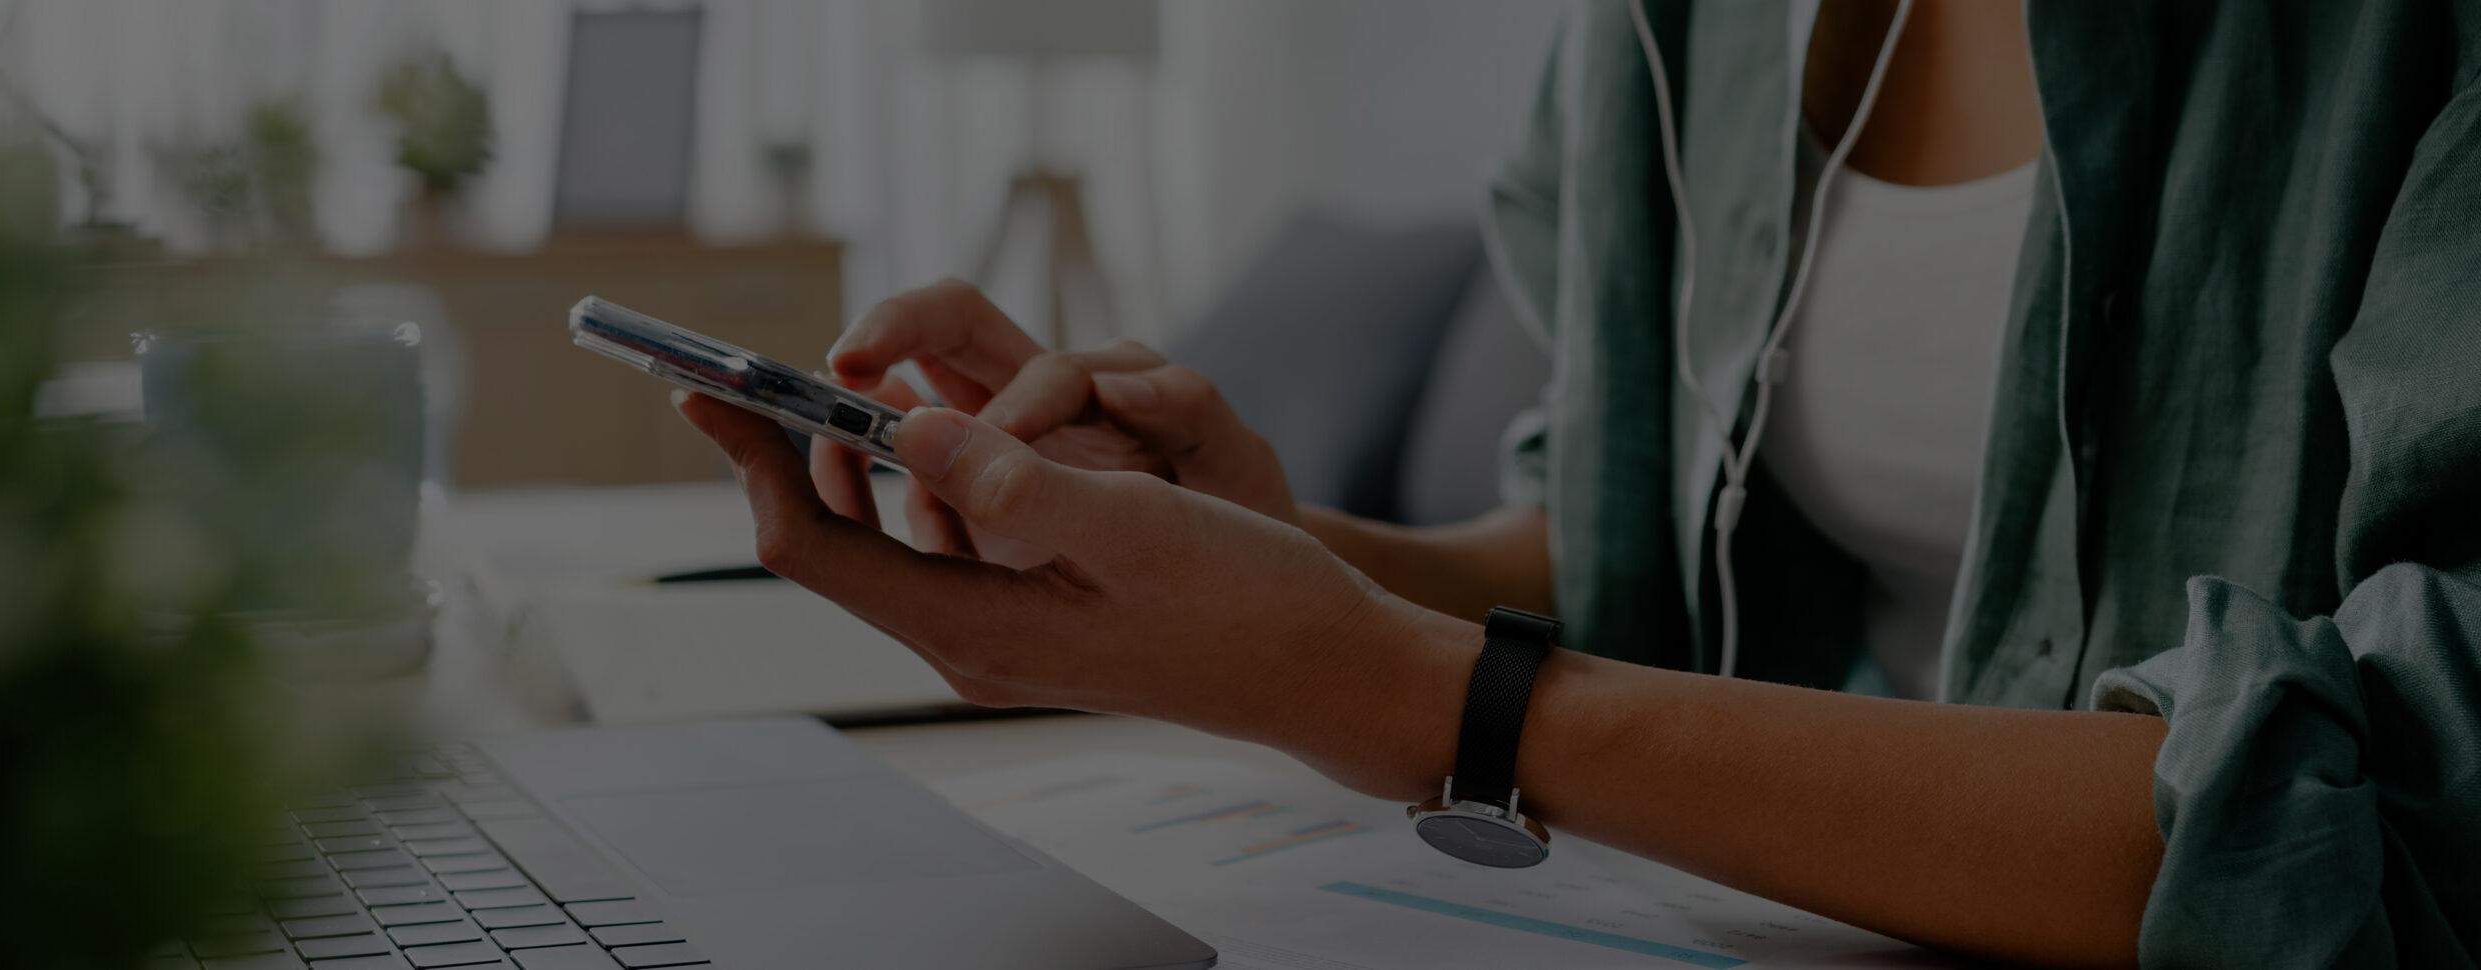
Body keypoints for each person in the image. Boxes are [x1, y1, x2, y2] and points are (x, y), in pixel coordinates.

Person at [675, 2, 2481, 966]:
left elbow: (2413, 804)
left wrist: (1399, 693)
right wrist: (1265, 550)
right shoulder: (1667, 30)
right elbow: (1623, 564)